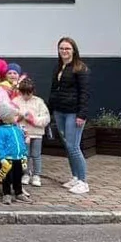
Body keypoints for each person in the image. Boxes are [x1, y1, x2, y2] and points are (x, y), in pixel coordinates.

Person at [49, 37, 91, 195]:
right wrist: (50, 109)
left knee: (74, 147)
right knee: (68, 146)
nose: (64, 51)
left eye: (67, 48)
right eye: (61, 48)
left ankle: (83, 181)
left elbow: (85, 94)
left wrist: (82, 114)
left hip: (74, 113)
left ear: (74, 50)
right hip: (60, 111)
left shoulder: (81, 68)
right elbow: (54, 90)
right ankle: (75, 177)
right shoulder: (59, 67)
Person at [13, 78, 51, 187]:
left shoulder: (39, 102)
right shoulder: (16, 101)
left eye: (28, 94)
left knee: (36, 155)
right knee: (25, 155)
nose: (26, 96)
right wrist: (18, 118)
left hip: (36, 133)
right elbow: (11, 116)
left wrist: (34, 120)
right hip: (22, 133)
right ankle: (25, 174)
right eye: (23, 93)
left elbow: (46, 118)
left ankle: (36, 175)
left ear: (33, 91)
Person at [0, 102, 32, 205]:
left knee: (18, 175)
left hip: (18, 157)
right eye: (15, 115)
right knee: (6, 177)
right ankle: (6, 194)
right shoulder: (1, 130)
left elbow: (21, 142)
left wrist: (24, 153)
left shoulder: (17, 129)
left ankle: (18, 192)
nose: (17, 117)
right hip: (7, 158)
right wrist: (1, 157)